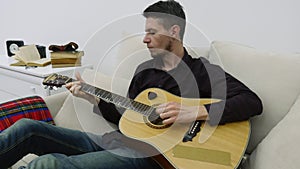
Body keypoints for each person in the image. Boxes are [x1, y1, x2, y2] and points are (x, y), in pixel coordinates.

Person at [0, 0, 263, 168]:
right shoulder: (144, 72)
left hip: (156, 158)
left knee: (49, 164)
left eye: (151, 32)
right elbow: (127, 118)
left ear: (174, 32)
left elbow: (252, 102)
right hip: (120, 141)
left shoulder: (202, 72)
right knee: (27, 128)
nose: (145, 39)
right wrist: (92, 98)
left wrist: (196, 111)